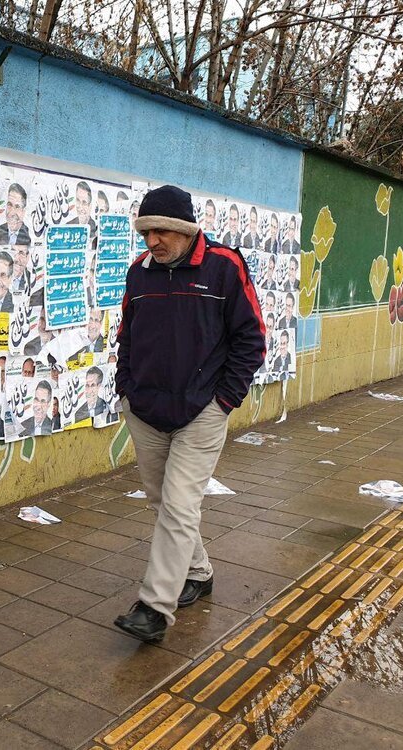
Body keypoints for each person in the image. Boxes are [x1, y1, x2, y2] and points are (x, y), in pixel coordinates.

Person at [113, 184, 265, 644]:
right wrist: (126, 391)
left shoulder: (224, 267)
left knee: (180, 505)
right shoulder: (140, 274)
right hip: (146, 410)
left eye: (160, 232)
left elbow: (252, 339)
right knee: (164, 502)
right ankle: (198, 571)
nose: (151, 242)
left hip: (201, 412)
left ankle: (154, 608)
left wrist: (222, 402)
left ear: (184, 230)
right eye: (145, 233)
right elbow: (127, 336)